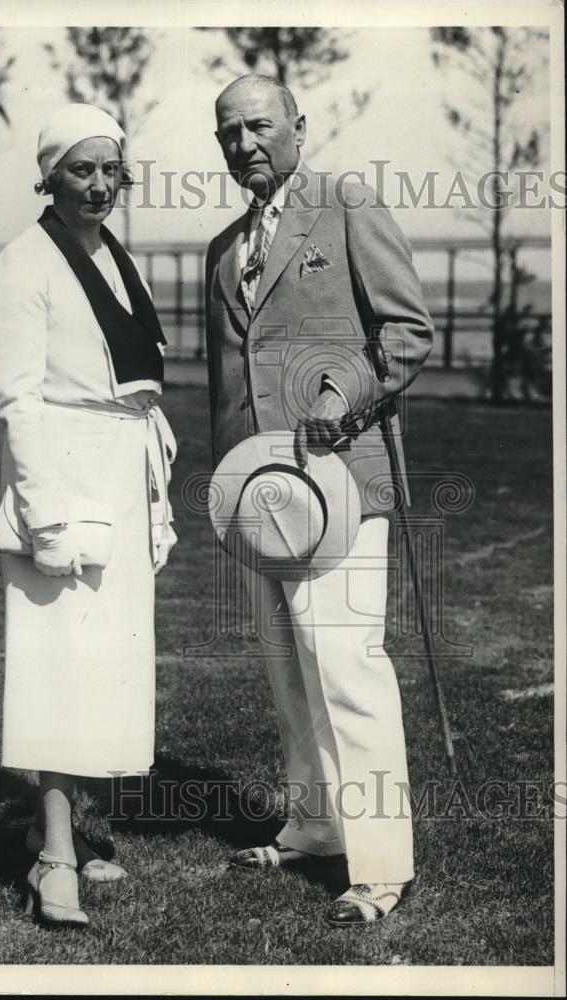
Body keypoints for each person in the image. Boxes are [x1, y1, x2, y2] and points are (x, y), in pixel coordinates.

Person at [204, 75, 434, 925]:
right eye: (226, 133)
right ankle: (312, 827)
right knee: (288, 668)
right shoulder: (222, 248)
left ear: (298, 126)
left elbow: (406, 329)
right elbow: (226, 384)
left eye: (258, 126)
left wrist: (340, 395)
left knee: (345, 664)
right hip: (259, 494)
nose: (242, 145)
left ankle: (378, 866)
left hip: (339, 478)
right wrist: (227, 490)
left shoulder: (345, 202)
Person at [0, 103, 177, 927]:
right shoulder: (23, 264)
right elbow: (18, 404)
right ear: (49, 176)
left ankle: (50, 819)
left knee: (105, 674)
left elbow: (135, 387)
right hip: (61, 489)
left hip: (122, 484)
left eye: (110, 170)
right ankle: (53, 859)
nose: (99, 186)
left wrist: (154, 503)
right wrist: (48, 519)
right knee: (57, 673)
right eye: (80, 170)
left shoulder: (110, 255)